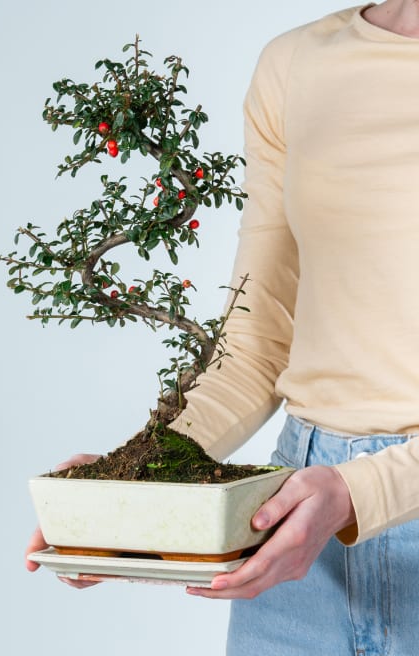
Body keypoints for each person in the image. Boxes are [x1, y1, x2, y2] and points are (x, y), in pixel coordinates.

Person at [26, 2, 419, 653]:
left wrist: (359, 493)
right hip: (296, 530)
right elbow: (257, 338)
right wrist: (145, 472)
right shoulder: (296, 64)